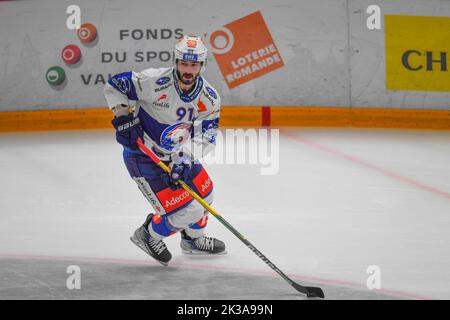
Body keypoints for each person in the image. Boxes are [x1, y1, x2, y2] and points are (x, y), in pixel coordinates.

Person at [103, 35, 226, 266]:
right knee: (189, 210)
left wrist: (185, 157)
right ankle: (149, 234)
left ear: (201, 65)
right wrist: (122, 115)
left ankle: (192, 240)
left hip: (176, 156)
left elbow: (207, 136)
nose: (188, 70)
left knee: (206, 193)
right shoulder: (154, 80)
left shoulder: (209, 98)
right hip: (143, 157)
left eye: (194, 64)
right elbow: (114, 85)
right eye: (184, 63)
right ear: (176, 61)